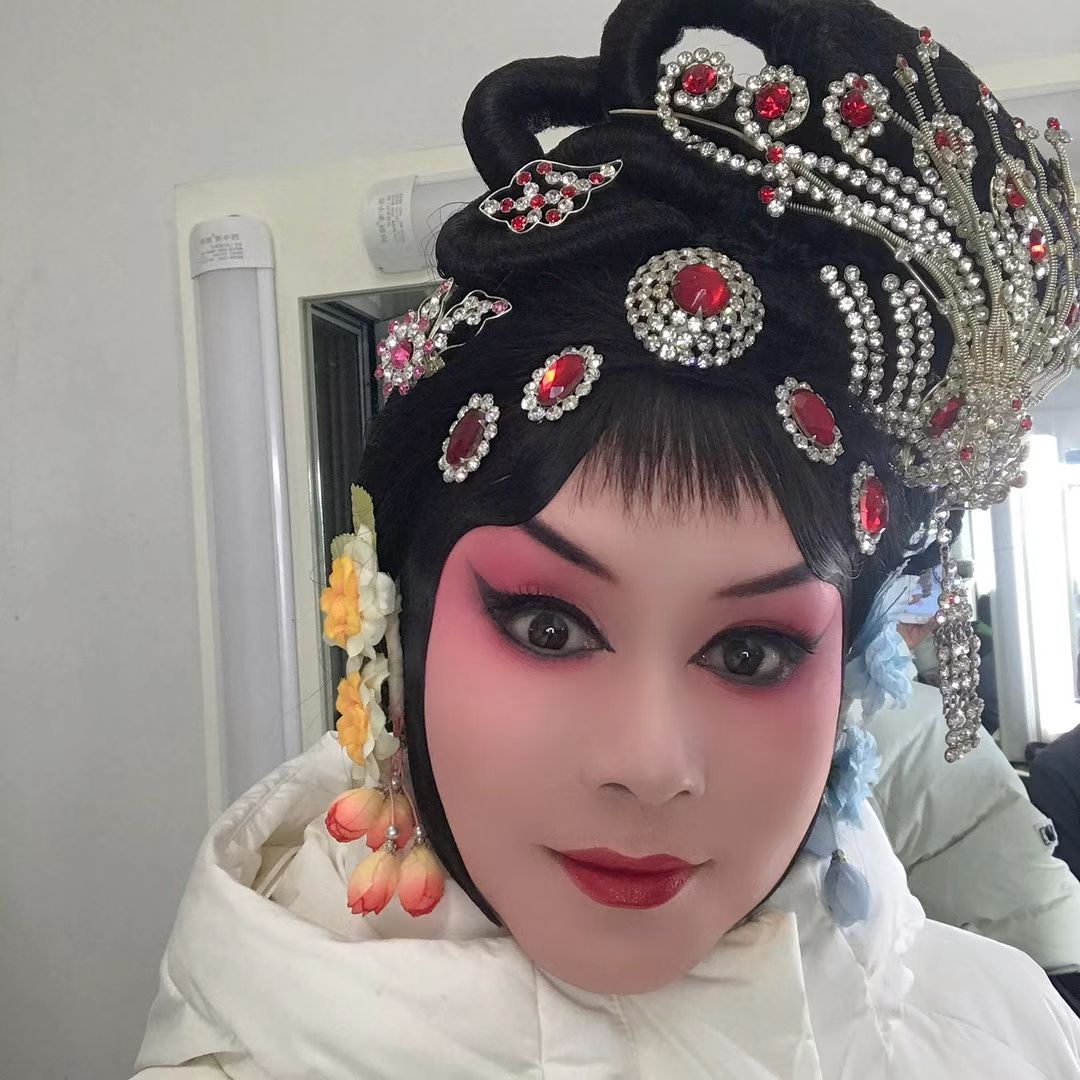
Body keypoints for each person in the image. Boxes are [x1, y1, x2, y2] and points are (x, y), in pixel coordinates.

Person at [133, 0, 1080, 1075]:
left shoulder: (1009, 1037)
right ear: (397, 633)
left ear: (852, 681)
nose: (649, 765)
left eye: (750, 652)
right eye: (548, 628)